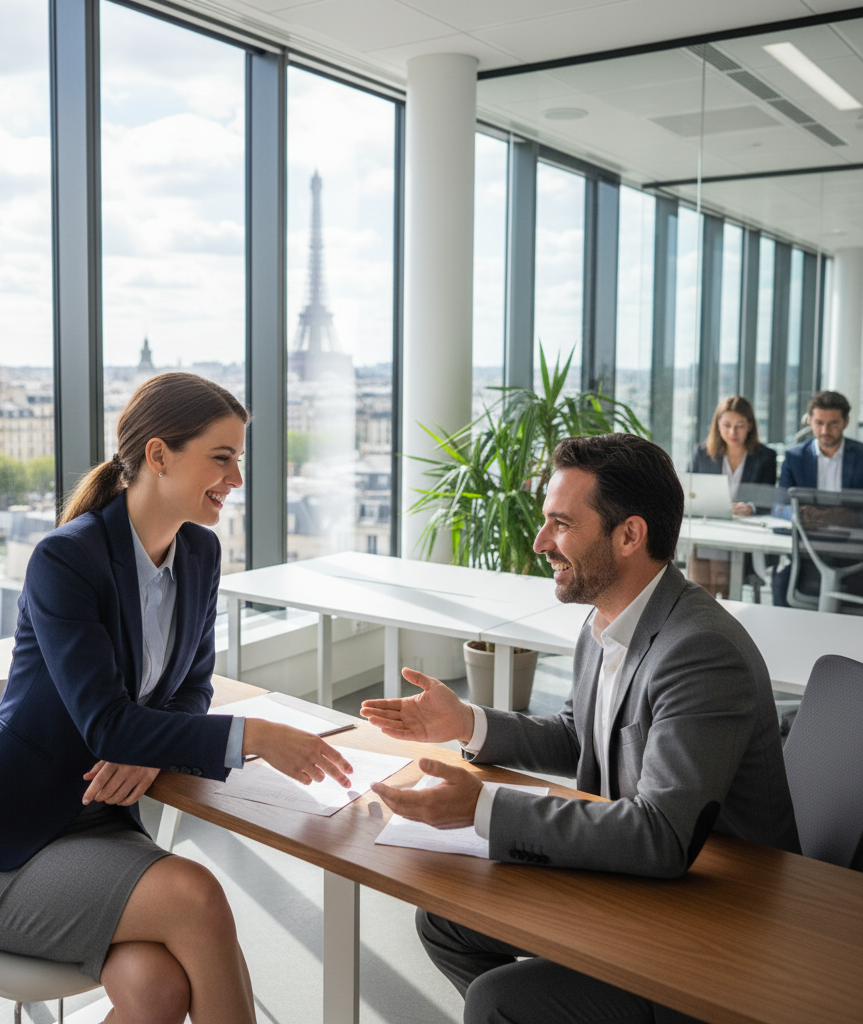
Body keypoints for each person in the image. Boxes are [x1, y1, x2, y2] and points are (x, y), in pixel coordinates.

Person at [0, 373, 353, 1024]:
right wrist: (254, 737)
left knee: (157, 991)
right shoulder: (65, 562)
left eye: (238, 459)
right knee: (197, 895)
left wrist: (147, 751)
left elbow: (189, 690)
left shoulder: (201, 555)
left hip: (96, 828)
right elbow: (107, 725)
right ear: (158, 456)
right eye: (222, 457)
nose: (236, 479)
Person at [362, 433, 798, 1024]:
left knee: (498, 1001)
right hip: (641, 876)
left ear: (629, 535)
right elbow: (581, 736)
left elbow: (661, 836)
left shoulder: (699, 651)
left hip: (717, 916)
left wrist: (483, 806)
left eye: (561, 524)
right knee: (445, 923)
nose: (541, 542)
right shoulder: (609, 617)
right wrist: (466, 721)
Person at [771, 390, 863, 607]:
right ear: (809, 420)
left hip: (854, 550)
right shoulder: (795, 457)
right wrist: (799, 513)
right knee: (781, 582)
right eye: (819, 422)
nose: (825, 430)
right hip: (808, 549)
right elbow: (779, 505)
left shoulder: (861, 457)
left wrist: (851, 516)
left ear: (846, 422)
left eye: (833, 423)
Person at [686, 395, 776, 599]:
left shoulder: (764, 457)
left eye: (739, 425)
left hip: (745, 533)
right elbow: (689, 494)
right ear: (717, 425)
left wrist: (751, 507)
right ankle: (704, 609)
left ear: (750, 426)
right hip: (709, 529)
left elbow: (769, 500)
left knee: (716, 565)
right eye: (726, 425)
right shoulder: (702, 453)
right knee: (704, 571)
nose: (732, 432)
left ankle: (722, 607)